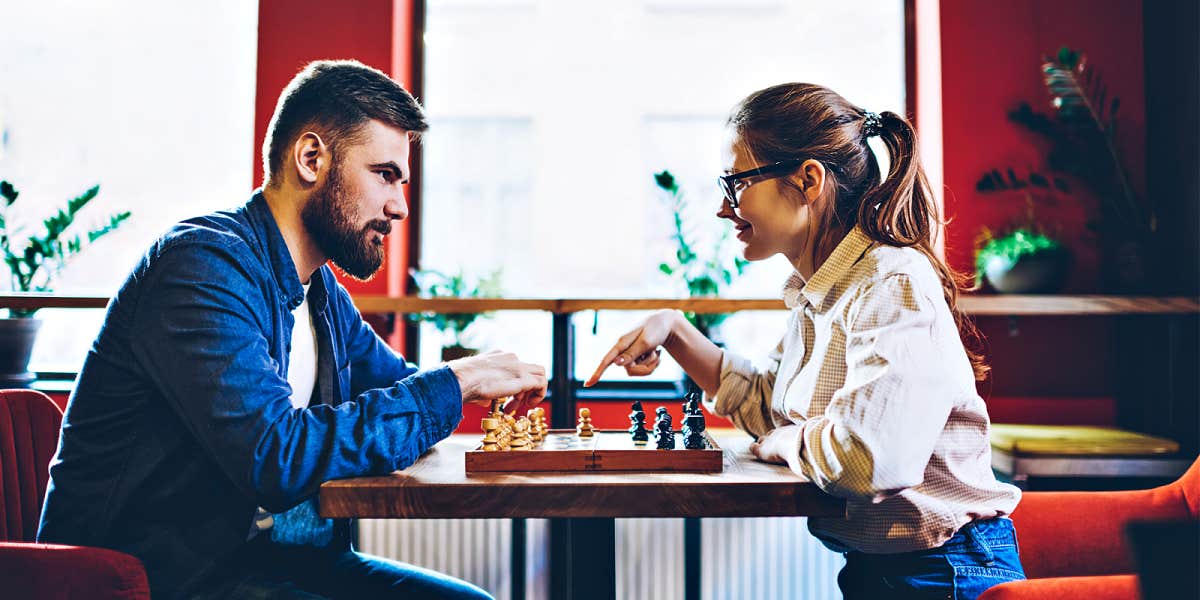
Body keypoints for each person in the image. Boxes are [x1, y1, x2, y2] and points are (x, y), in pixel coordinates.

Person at [38, 59, 546, 600]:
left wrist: (464, 385)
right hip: (162, 582)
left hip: (276, 566)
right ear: (311, 158)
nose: (399, 206)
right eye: (384, 175)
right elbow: (274, 458)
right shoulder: (203, 269)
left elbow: (395, 393)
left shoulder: (321, 294)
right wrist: (455, 383)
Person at [586, 83, 1025, 599]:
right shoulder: (820, 291)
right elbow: (772, 405)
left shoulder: (890, 283)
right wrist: (677, 331)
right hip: (887, 571)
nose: (724, 209)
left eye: (736, 184)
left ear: (808, 180)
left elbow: (868, 460)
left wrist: (787, 441)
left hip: (946, 574)